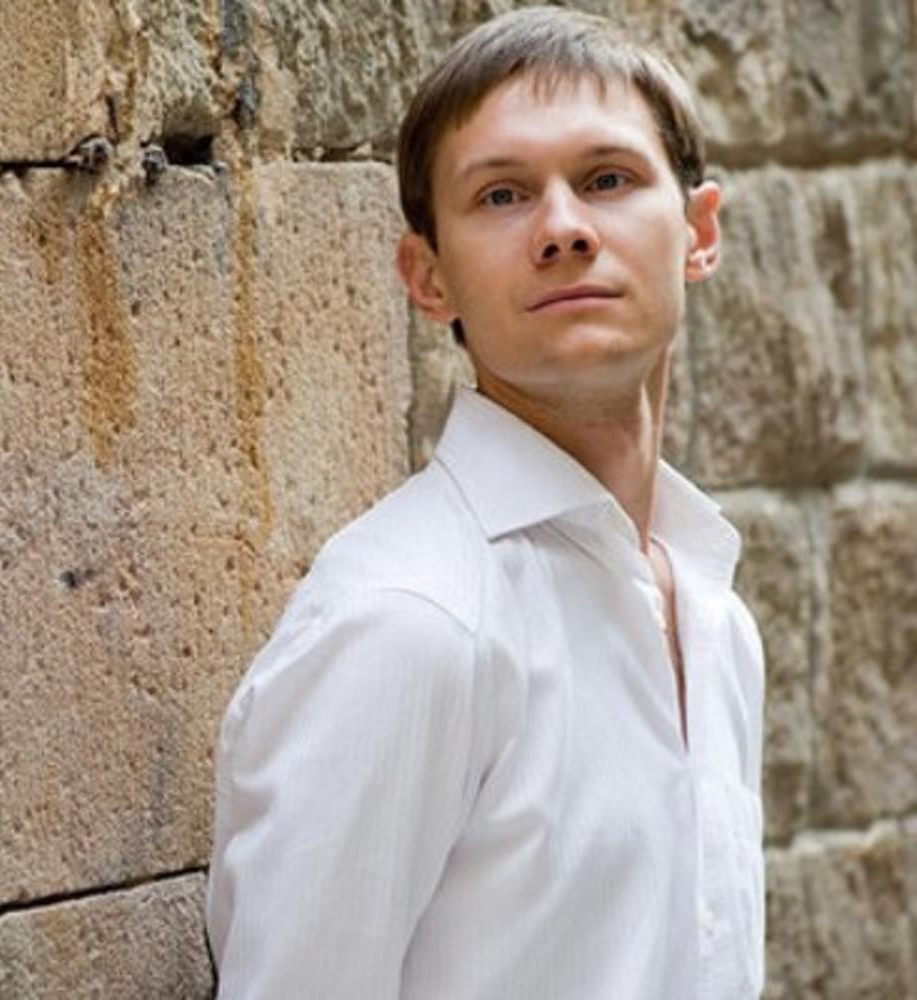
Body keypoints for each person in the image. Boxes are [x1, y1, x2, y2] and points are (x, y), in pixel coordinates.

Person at [206, 6, 766, 999]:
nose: (564, 228)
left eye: (608, 178)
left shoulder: (714, 615)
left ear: (699, 232)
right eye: (502, 194)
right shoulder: (408, 623)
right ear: (428, 279)